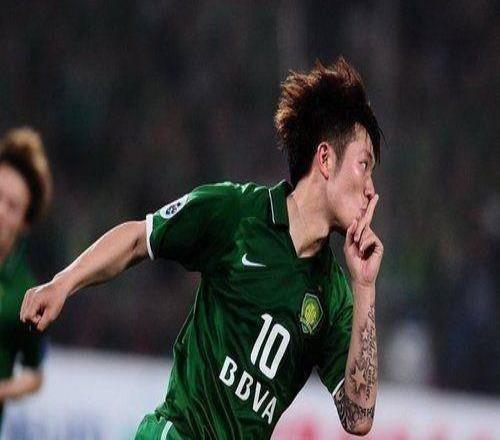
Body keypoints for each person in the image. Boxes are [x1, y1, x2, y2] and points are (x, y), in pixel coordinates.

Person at [20, 57, 384, 439]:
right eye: (364, 165)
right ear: (325, 158)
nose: (371, 189)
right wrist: (62, 283)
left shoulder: (335, 296)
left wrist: (365, 287)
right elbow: (138, 239)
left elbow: (358, 417)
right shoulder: (237, 213)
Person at [0, 127, 52, 431]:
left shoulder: (26, 292)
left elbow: (35, 375)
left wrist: (3, 390)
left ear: (24, 223)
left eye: (12, 206)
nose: (0, 211)